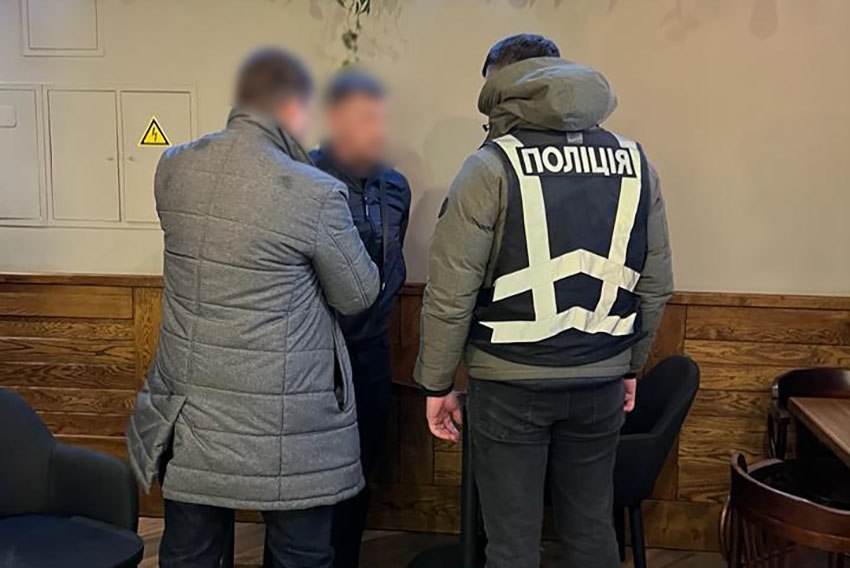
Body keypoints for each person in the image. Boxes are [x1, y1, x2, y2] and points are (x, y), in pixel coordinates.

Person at [414, 34, 674, 568]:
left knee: (512, 545)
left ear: (502, 85)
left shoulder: (490, 166)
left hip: (509, 384)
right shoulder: (635, 163)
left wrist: (436, 384)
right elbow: (655, 283)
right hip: (601, 377)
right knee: (592, 532)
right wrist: (630, 365)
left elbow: (450, 292)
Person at [125, 47, 380, 568]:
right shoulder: (314, 192)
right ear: (292, 108)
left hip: (194, 415)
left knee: (191, 552)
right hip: (290, 426)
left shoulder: (173, 168)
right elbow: (357, 294)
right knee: (298, 553)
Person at [310, 70, 411, 568]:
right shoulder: (304, 177)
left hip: (372, 352)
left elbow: (391, 264)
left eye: (379, 119)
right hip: (315, 355)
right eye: (364, 119)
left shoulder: (395, 186)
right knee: (310, 479)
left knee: (360, 469)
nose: (376, 130)